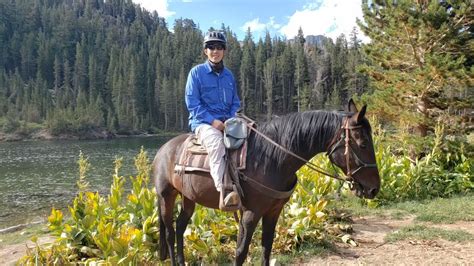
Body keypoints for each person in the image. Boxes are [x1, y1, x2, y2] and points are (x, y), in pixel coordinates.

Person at [185, 31, 241, 209]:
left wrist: (232, 118)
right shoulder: (196, 73)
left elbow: (235, 101)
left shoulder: (229, 76)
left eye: (218, 47)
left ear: (224, 51)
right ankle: (224, 190)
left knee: (251, 139)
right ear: (205, 51)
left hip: (227, 121)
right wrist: (213, 122)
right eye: (211, 47)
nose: (215, 51)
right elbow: (192, 103)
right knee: (217, 145)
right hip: (203, 122)